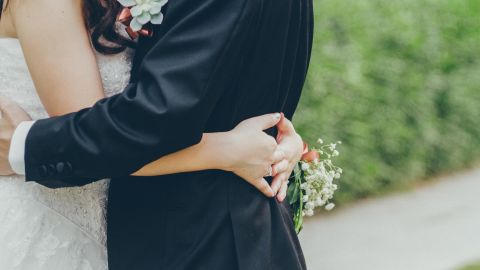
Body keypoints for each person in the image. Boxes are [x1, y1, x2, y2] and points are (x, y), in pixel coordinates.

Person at [0, 0, 312, 269]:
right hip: (56, 217)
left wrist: (274, 140)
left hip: (174, 227)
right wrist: (226, 149)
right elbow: (109, 134)